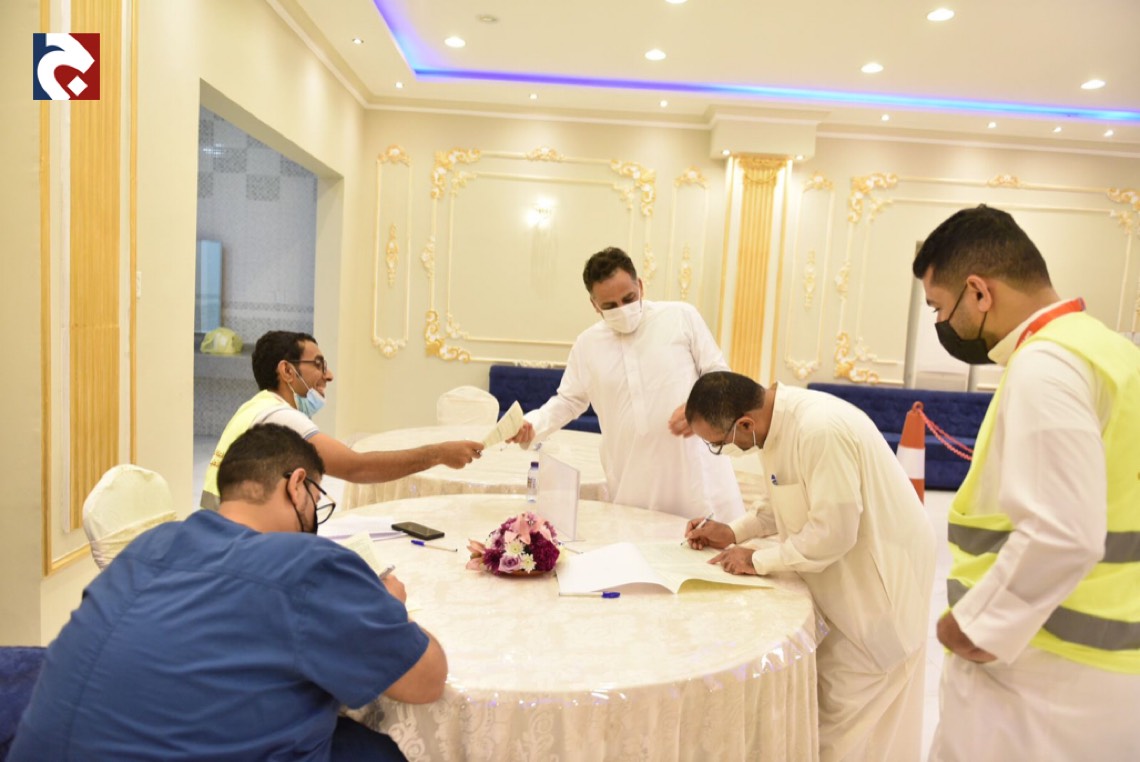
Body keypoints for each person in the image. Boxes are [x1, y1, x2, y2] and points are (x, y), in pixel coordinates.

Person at [11, 423, 446, 760]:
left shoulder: (150, 546)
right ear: (297, 485)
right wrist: (389, 607)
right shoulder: (308, 565)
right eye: (317, 500)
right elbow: (427, 679)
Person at [912, 205, 1140, 761]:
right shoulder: (1110, 350)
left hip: (1040, 668)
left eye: (939, 307)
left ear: (978, 292)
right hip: (1105, 657)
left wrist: (979, 624)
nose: (942, 324)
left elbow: (1064, 532)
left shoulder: (1046, 366)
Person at [683, 371, 934, 762]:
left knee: (844, 729)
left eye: (718, 444)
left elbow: (834, 531)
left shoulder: (819, 431)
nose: (722, 450)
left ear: (744, 424)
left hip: (879, 592)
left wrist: (757, 559)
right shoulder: (773, 426)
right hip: (842, 584)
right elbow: (783, 500)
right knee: (825, 711)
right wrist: (732, 532)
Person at [510, 247, 743, 522]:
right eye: (609, 306)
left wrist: (700, 406)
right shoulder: (587, 345)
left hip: (695, 471)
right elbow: (569, 401)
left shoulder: (681, 317)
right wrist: (532, 424)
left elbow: (718, 372)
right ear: (594, 305)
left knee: (709, 543)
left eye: (629, 298)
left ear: (640, 286)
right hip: (633, 478)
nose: (622, 309)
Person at [200, 330, 483, 509]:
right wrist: (439, 454)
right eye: (318, 365)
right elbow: (357, 468)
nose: (329, 375)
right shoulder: (280, 417)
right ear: (287, 371)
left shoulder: (255, 407)